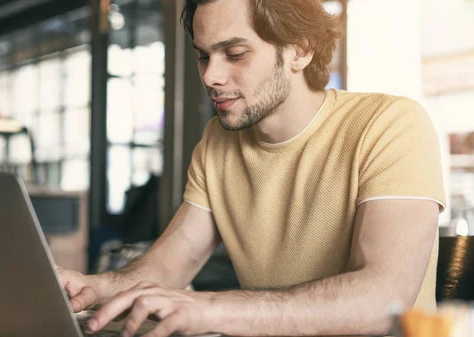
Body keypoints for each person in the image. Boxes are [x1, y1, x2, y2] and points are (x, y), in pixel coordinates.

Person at [58, 0, 445, 336]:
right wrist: (95, 286)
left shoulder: (391, 124)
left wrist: (209, 309)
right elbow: (169, 264)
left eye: (236, 53)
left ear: (301, 49)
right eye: (204, 55)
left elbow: (383, 298)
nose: (211, 76)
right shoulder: (217, 141)